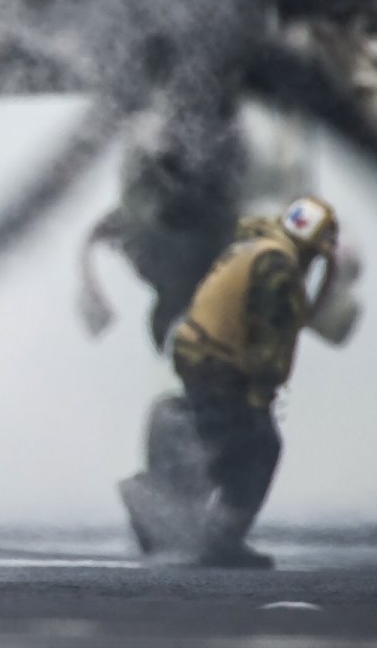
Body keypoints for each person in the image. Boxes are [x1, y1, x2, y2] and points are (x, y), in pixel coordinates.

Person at [118, 195, 344, 568]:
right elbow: (270, 338)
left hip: (198, 358)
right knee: (260, 447)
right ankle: (220, 537)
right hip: (222, 369)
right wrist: (260, 395)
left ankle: (159, 506)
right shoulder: (279, 266)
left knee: (210, 438)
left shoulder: (253, 248)